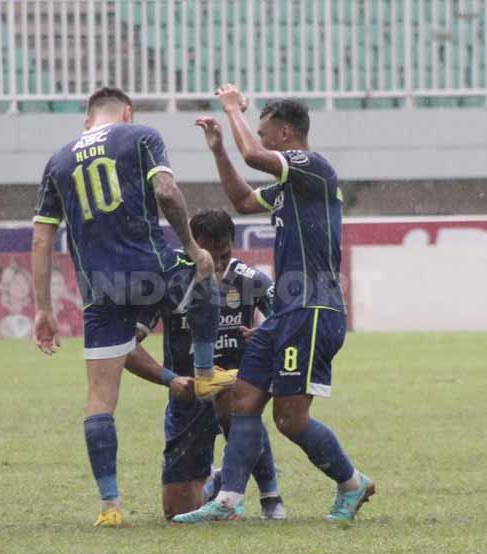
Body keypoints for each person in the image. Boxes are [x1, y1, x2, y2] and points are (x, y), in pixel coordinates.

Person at [30, 87, 235, 527]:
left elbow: (42, 238)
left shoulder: (58, 161)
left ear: (88, 121)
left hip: (99, 290)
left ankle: (110, 506)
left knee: (100, 400)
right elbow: (165, 191)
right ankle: (203, 373)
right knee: (205, 277)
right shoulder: (140, 135)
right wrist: (191, 244)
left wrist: (43, 308)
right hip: (149, 269)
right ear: (126, 112)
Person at [173, 86, 374, 523]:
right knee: (243, 399)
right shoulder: (290, 187)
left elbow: (253, 158)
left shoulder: (312, 167)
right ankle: (228, 500)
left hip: (313, 309)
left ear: (285, 134)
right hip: (285, 312)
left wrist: (231, 111)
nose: (259, 140)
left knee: (290, 419)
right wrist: (219, 150)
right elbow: (244, 200)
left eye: (264, 133)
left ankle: (352, 483)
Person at [123, 209, 286, 521]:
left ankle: (271, 497)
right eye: (212, 255)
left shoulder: (249, 280)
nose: (219, 264)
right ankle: (218, 480)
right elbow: (127, 345)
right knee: (176, 514)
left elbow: (289, 318)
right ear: (192, 246)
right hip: (188, 399)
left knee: (239, 404)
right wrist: (170, 378)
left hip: (236, 390)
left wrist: (266, 334)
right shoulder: (170, 281)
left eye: (225, 254)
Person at [0, 264, 34, 339]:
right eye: (17, 283)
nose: (22, 287)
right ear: (7, 286)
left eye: (25, 282)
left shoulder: (35, 310)